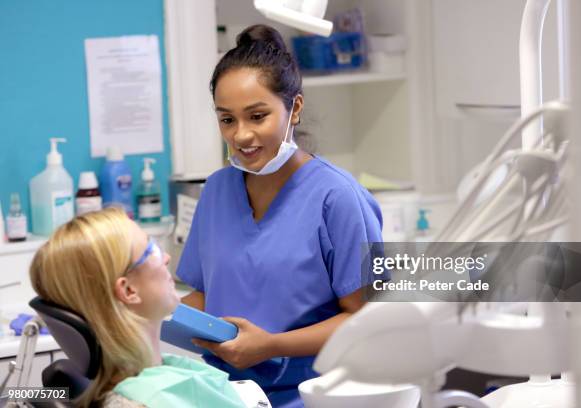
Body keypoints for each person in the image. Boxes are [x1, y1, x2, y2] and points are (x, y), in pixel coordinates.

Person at [176, 24, 383, 407]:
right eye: (227, 120)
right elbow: (206, 294)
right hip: (228, 394)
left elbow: (366, 319)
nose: (241, 135)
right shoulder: (217, 191)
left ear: (295, 109)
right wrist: (140, 315)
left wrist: (271, 346)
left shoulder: (337, 197)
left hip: (313, 395)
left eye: (257, 116)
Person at [29, 208, 247, 408]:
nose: (167, 258)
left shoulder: (153, 375)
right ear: (128, 291)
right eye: (152, 250)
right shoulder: (150, 400)